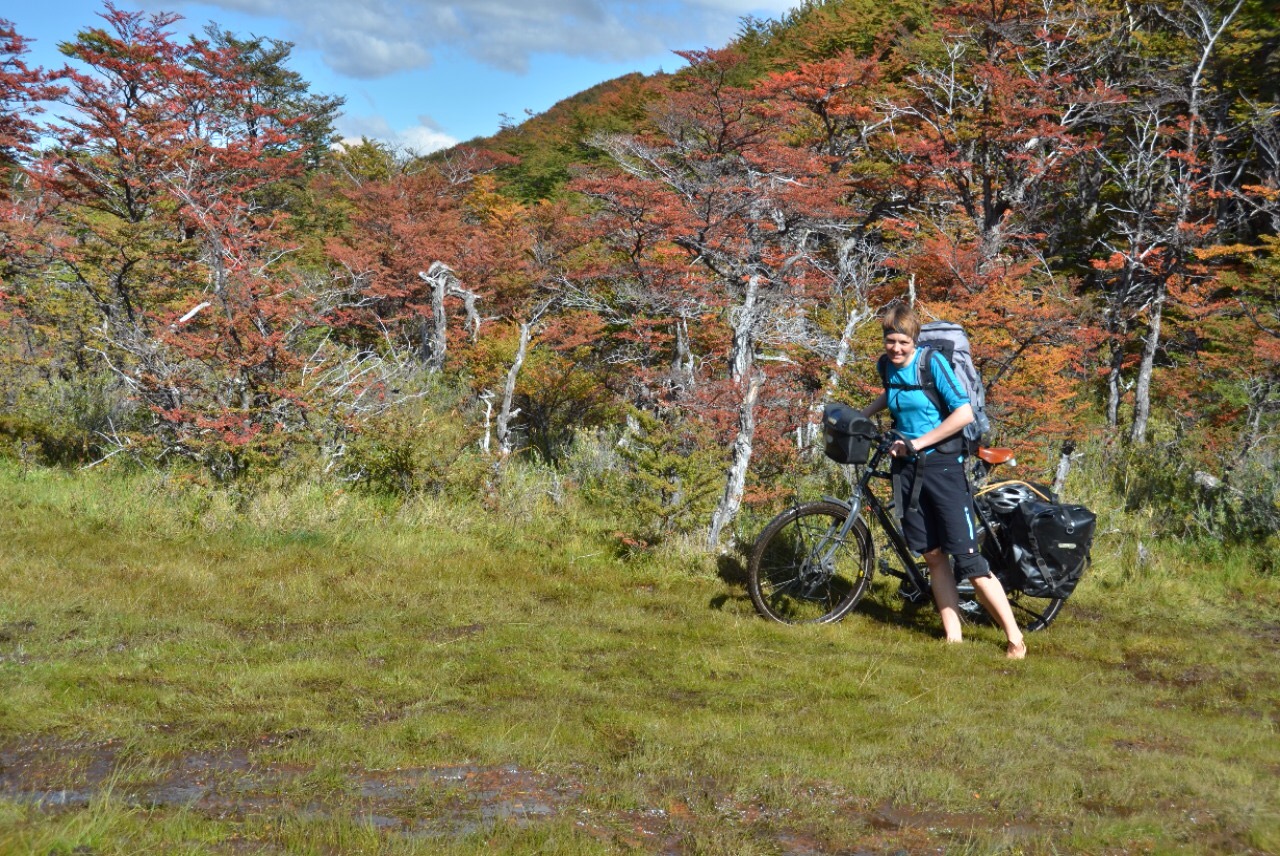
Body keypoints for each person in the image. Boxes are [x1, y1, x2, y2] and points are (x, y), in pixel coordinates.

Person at [860, 305, 1027, 659]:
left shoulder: (931, 363)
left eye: (903, 341)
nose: (896, 348)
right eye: (890, 341)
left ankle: (1015, 638)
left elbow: (963, 412)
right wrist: (862, 417)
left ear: (914, 339)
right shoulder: (885, 365)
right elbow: (892, 392)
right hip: (906, 469)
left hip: (944, 469)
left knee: (969, 561)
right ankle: (954, 639)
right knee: (933, 555)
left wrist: (918, 443)